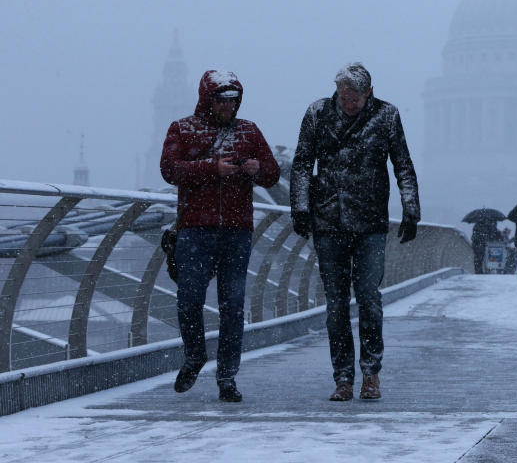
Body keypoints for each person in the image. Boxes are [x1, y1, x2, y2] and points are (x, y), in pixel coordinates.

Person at [290, 62, 420, 402]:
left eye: (355, 99)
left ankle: (371, 372)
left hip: (370, 222)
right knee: (335, 304)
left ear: (369, 94)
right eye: (344, 97)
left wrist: (411, 211)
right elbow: (302, 163)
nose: (348, 105)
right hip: (328, 221)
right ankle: (343, 377)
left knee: (369, 299)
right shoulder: (317, 113)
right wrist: (300, 208)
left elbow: (403, 165)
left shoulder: (387, 115)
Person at [160, 70, 280, 403]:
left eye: (233, 101)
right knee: (189, 301)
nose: (229, 107)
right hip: (195, 230)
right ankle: (195, 355)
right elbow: (170, 170)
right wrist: (213, 168)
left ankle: (227, 377)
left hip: (237, 232)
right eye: (222, 101)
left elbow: (272, 174)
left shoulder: (249, 131)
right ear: (207, 100)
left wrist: (257, 168)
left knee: (233, 307)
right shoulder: (182, 128)